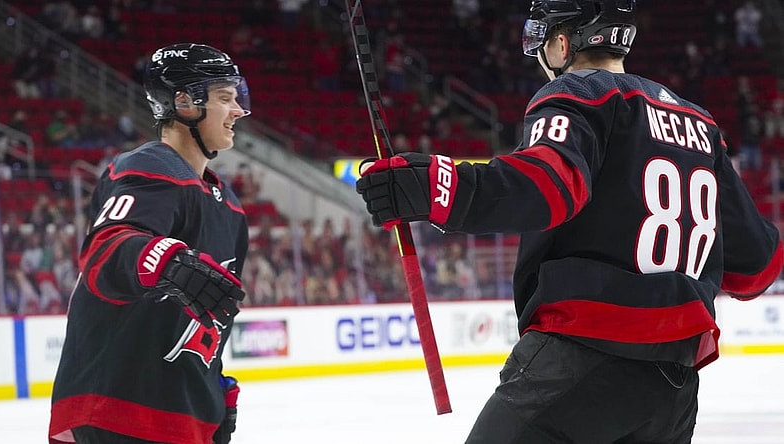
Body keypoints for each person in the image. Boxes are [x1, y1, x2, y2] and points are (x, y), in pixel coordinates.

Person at [355, 1, 784, 443]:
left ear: (562, 43)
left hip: (581, 357)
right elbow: (759, 267)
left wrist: (432, 189)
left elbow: (549, 185)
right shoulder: (700, 124)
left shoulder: (580, 93)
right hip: (671, 387)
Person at [49, 43, 252, 444]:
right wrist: (167, 258)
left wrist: (213, 388)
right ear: (185, 102)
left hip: (186, 415)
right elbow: (107, 251)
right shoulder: (149, 166)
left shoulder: (229, 205)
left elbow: (212, 314)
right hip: (119, 412)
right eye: (225, 98)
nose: (239, 111)